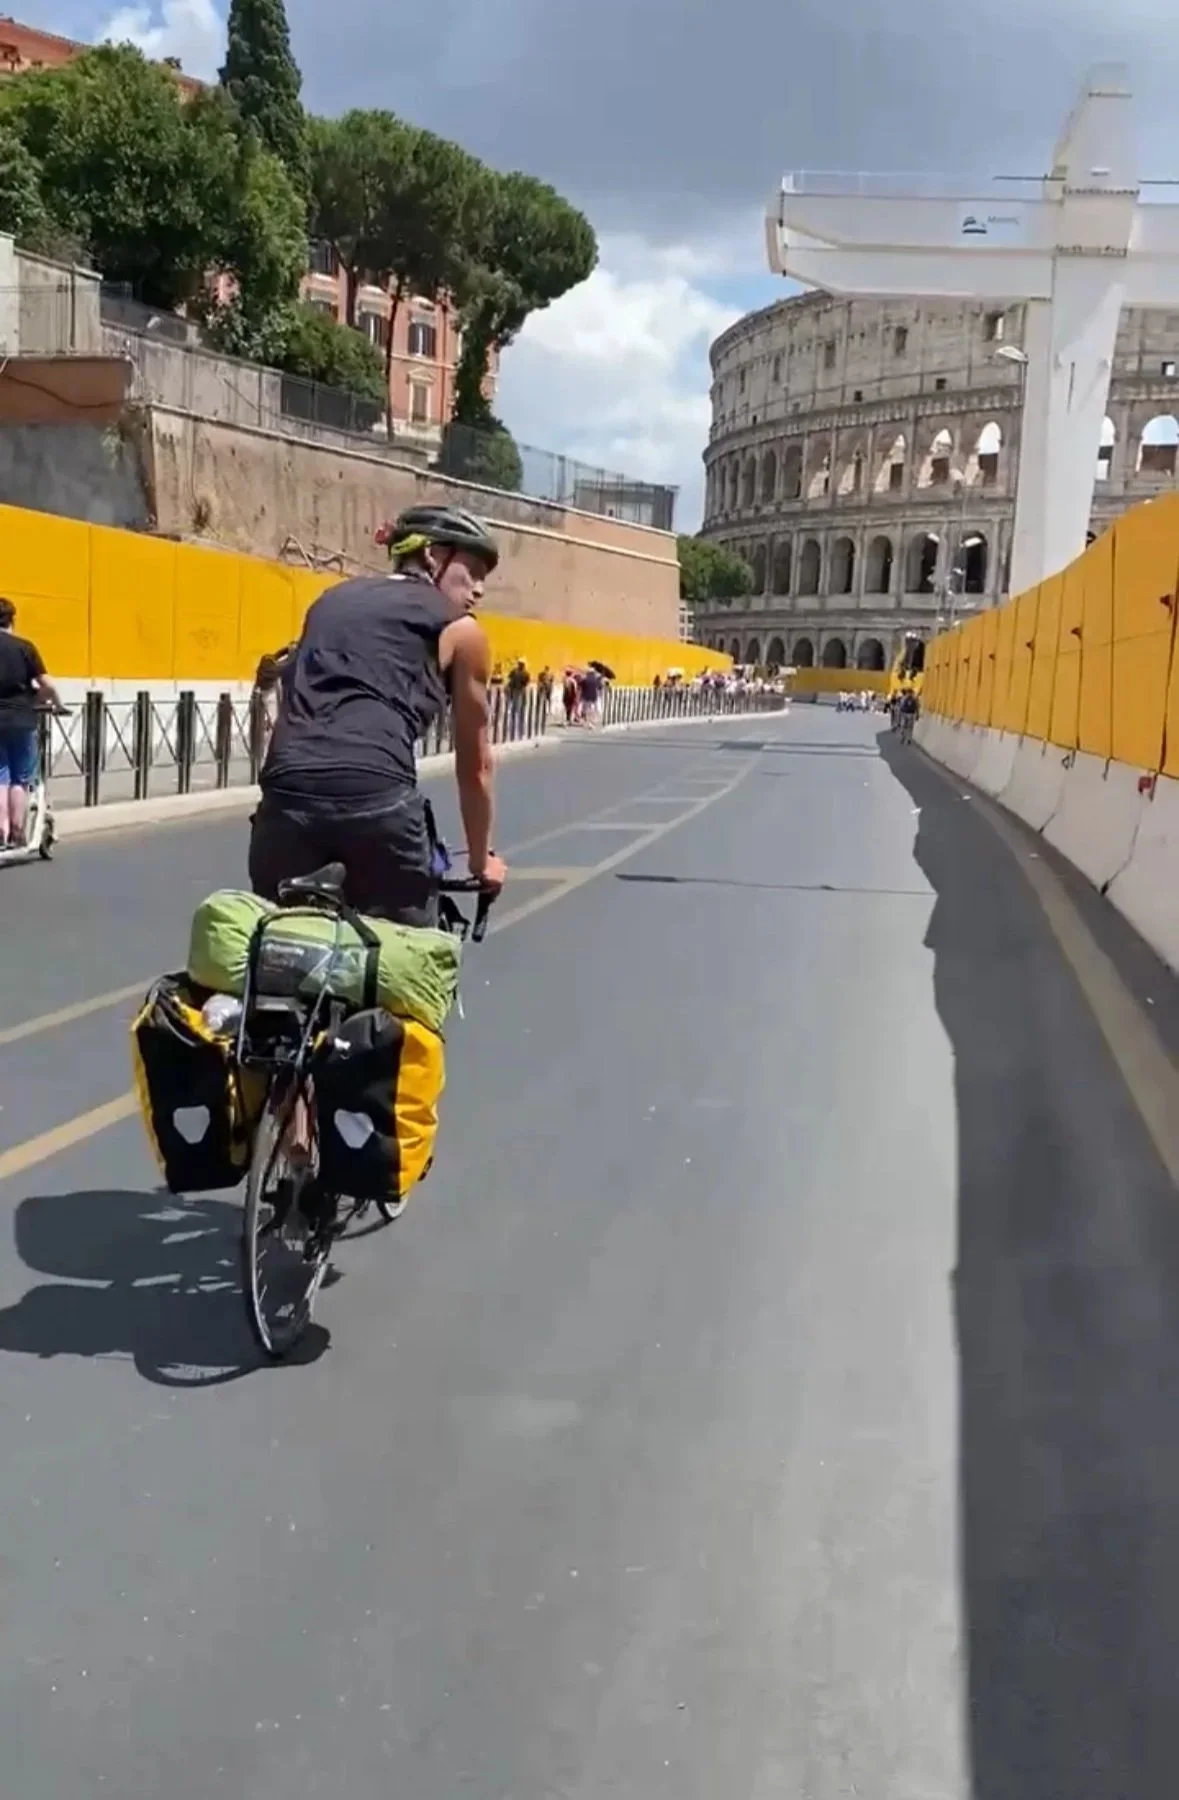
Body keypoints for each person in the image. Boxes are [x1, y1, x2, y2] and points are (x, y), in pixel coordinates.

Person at [248, 504, 507, 927]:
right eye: (473, 569)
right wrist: (482, 863)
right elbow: (475, 766)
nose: (479, 588)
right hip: (376, 798)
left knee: (277, 938)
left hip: (284, 796)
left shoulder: (328, 601)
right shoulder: (463, 631)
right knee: (413, 960)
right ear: (430, 555)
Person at [0, 598, 63, 849]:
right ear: (12, 620)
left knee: (0, 776)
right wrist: (54, 704)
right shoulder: (25, 647)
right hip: (20, 719)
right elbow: (48, 685)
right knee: (20, 777)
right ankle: (17, 832)